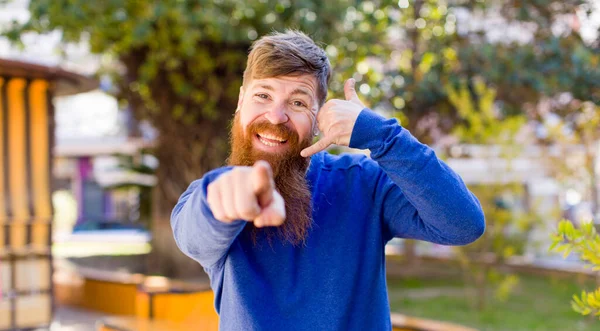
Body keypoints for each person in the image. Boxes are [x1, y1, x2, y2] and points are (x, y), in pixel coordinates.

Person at [171, 30, 485, 330]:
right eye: (262, 95)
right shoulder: (210, 196)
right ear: (241, 101)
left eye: (297, 102)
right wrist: (223, 200)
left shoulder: (363, 183)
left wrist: (382, 135)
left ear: (319, 119)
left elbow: (463, 224)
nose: (275, 116)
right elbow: (194, 236)